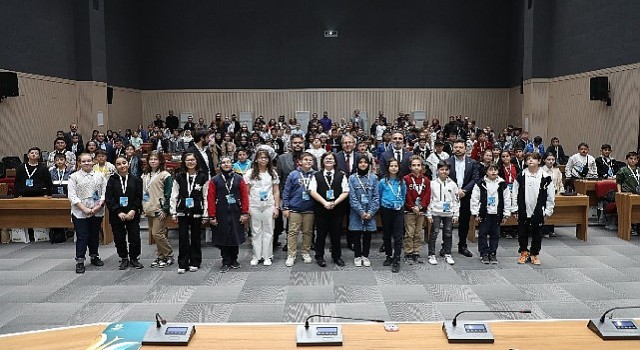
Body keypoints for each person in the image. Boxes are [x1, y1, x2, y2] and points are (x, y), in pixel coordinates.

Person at [512, 152, 555, 265]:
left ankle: (534, 254)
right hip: (523, 208)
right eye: (528, 159)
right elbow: (515, 193)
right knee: (522, 232)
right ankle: (524, 252)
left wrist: (548, 211)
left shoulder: (546, 177)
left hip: (538, 210)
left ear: (539, 161)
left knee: (537, 233)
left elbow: (551, 196)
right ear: (525, 162)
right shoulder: (520, 177)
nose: (531, 160)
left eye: (534, 159)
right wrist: (515, 208)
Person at [208, 156, 250, 273]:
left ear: (232, 164)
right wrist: (212, 215)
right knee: (223, 236)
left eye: (228, 162)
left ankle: (234, 259)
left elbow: (244, 196)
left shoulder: (239, 179)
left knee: (235, 235)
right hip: (221, 211)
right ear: (220, 165)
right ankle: (226, 260)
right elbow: (210, 198)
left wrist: (245, 212)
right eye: (223, 162)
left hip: (236, 211)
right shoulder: (215, 180)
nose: (226, 164)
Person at [170, 153, 209, 274]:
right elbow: (174, 194)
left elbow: (206, 196)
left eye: (192, 160)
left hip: (197, 211)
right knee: (183, 238)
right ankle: (183, 263)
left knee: (196, 237)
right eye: (188, 160)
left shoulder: (203, 177)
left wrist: (205, 213)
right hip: (182, 210)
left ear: (196, 162)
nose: (190, 162)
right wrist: (173, 212)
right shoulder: (179, 176)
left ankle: (195, 262)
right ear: (184, 162)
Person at [68, 153, 107, 274]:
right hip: (80, 212)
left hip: (97, 210)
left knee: (94, 235)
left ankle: (94, 256)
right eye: (83, 161)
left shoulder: (100, 176)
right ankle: (80, 260)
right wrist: (84, 209)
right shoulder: (73, 177)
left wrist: (98, 206)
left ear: (93, 162)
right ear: (79, 163)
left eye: (89, 161)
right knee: (82, 236)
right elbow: (72, 196)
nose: (86, 163)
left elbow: (104, 193)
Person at [309, 152, 350, 267]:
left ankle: (337, 257)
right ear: (322, 161)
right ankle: (319, 256)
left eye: (331, 159)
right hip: (321, 209)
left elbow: (345, 191)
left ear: (335, 162)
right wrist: (325, 203)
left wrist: (334, 203)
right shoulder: (316, 175)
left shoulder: (341, 175)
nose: (329, 161)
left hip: (337, 209)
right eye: (326, 159)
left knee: (336, 234)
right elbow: (312, 191)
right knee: (321, 234)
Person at [105, 155, 144, 270]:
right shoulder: (111, 180)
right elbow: (109, 198)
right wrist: (118, 211)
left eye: (124, 163)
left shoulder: (136, 180)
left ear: (128, 164)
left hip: (132, 213)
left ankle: (134, 258)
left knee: (135, 237)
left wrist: (133, 210)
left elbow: (139, 196)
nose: (122, 166)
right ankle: (124, 258)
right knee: (119, 237)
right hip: (117, 214)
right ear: (116, 166)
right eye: (119, 164)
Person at [244, 149, 280, 266]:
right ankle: (256, 256)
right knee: (256, 231)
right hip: (254, 205)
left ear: (269, 159)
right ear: (256, 159)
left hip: (269, 205)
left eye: (265, 157)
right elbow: (246, 192)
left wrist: (276, 207)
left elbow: (276, 191)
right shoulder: (250, 173)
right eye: (261, 157)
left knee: (269, 231)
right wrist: (247, 208)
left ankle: (267, 256)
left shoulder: (272, 173)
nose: (263, 159)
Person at [470, 163, 511, 264]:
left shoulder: (502, 184)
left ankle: (492, 252)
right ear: (486, 171)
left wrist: (506, 214)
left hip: (497, 213)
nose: (493, 172)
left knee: (495, 234)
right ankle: (483, 253)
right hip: (484, 213)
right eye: (491, 170)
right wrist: (476, 213)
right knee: (483, 234)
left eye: (495, 170)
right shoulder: (480, 183)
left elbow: (506, 199)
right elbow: (474, 199)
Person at [282, 152, 316, 267]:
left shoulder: (316, 175)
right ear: (300, 162)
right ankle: (291, 254)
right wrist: (286, 207)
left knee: (308, 232)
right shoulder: (293, 174)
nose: (308, 162)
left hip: (309, 209)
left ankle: (305, 252)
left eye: (310, 160)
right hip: (295, 208)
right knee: (293, 232)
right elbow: (286, 192)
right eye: (305, 159)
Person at [142, 151, 175, 268]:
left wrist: (165, 209)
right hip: (148, 207)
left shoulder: (165, 175)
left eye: (155, 159)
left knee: (157, 233)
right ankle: (161, 256)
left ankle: (169, 254)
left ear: (160, 160)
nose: (153, 161)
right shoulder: (146, 174)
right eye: (151, 159)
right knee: (155, 233)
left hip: (159, 208)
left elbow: (169, 193)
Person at [447, 139, 480, 258]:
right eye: (456, 147)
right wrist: (456, 190)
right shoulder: (447, 162)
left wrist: (464, 190)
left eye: (461, 147)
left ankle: (462, 245)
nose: (458, 149)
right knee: (448, 222)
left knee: (464, 222)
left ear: (465, 148)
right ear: (452, 148)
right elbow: (444, 176)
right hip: (451, 196)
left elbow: (475, 178)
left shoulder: (473, 162)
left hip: (466, 196)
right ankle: (446, 247)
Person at [348, 155, 379, 267]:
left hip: (370, 211)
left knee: (367, 234)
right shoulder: (352, 178)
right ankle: (357, 256)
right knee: (356, 234)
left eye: (365, 162)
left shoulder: (374, 178)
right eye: (360, 162)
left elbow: (376, 197)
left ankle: (365, 256)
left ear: (368, 164)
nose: (363, 164)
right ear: (357, 164)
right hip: (357, 212)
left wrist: (371, 212)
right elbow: (352, 197)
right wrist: (361, 211)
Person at [426, 161, 459, 265]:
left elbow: (456, 200)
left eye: (446, 169)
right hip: (436, 212)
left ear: (449, 171)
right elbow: (429, 199)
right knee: (434, 233)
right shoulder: (432, 184)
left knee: (448, 233)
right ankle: (431, 254)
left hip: (448, 213)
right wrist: (429, 213)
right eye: (441, 169)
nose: (444, 171)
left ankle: (447, 253)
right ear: (437, 170)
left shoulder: (453, 184)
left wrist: (456, 214)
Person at [378, 158, 407, 273]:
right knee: (386, 234)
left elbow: (403, 195)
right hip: (386, 209)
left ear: (399, 168)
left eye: (396, 166)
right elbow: (379, 194)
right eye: (391, 166)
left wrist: (400, 204)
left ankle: (397, 259)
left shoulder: (402, 182)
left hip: (398, 210)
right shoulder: (382, 182)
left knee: (398, 236)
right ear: (388, 167)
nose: (393, 168)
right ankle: (388, 256)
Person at [403, 155, 430, 264]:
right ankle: (408, 252)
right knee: (409, 232)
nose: (416, 167)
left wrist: (420, 206)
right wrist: (412, 206)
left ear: (422, 167)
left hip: (421, 210)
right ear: (410, 167)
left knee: (418, 232)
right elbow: (406, 194)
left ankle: (416, 252)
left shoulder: (426, 180)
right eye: (414, 165)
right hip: (409, 210)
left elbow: (427, 195)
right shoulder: (406, 179)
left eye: (418, 165)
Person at [541, 151, 565, 238]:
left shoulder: (557, 170)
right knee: (545, 210)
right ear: (544, 160)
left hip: (555, 193)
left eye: (553, 159)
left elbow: (560, 184)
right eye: (548, 159)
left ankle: (551, 229)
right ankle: (544, 230)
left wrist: (561, 192)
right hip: (544, 194)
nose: (551, 161)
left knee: (553, 210)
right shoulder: (541, 170)